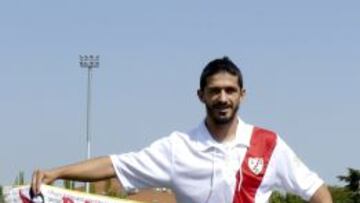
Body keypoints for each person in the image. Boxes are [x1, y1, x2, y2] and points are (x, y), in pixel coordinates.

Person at [32, 57, 332, 203]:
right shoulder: (177, 148)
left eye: (230, 90)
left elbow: (317, 191)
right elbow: (115, 164)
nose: (223, 98)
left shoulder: (268, 145)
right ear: (201, 95)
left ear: (243, 94)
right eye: (215, 91)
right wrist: (57, 172)